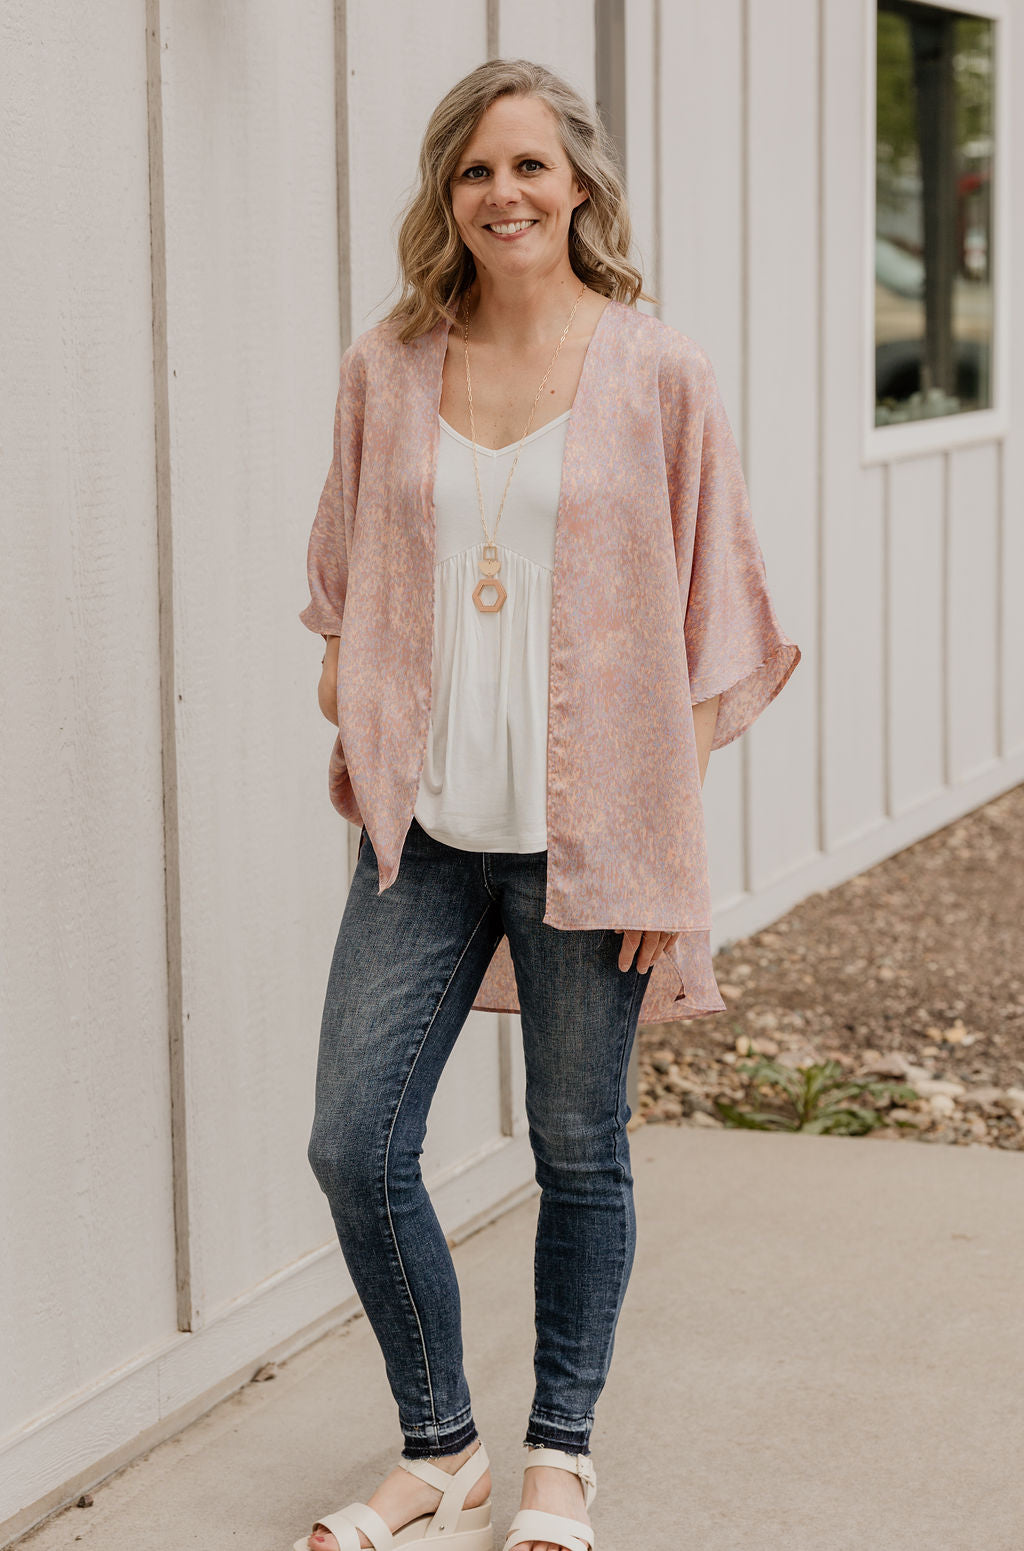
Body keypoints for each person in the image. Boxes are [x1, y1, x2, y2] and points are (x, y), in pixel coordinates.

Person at [295, 57, 800, 1551]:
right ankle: (441, 1445)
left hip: (595, 847)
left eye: (529, 165)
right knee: (354, 1144)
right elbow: (340, 583)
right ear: (445, 196)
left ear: (578, 183)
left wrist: (663, 858)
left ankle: (559, 1459)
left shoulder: (661, 372)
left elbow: (716, 626)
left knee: (580, 1149)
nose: (503, 193)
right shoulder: (388, 365)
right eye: (475, 171)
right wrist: (360, 686)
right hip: (425, 839)